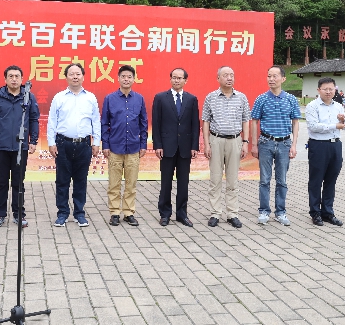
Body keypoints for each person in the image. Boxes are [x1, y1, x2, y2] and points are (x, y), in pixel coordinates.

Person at [48, 63, 101, 228]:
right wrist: (51, 143)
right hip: (63, 144)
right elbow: (52, 121)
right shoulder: (59, 97)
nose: (75, 77)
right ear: (66, 77)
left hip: (84, 144)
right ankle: (62, 213)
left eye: (78, 74)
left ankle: (79, 213)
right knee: (62, 181)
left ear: (83, 77)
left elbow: (96, 121)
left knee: (80, 180)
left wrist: (96, 142)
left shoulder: (90, 98)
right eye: (71, 74)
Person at [0, 65, 40, 228]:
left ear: (22, 79)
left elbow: (34, 119)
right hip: (2, 146)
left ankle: (18, 214)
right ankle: (0, 214)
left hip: (20, 147)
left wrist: (33, 141)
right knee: (1, 182)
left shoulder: (28, 96)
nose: (14, 79)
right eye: (10, 76)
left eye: (17, 76)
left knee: (18, 182)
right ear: (5, 79)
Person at [250, 65, 300, 227]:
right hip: (266, 142)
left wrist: (294, 145)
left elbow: (295, 122)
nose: (271, 79)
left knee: (282, 180)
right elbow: (254, 121)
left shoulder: (291, 99)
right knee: (264, 180)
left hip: (285, 143)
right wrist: (254, 145)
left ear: (283, 79)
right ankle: (264, 211)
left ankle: (280, 212)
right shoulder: (261, 99)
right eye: (269, 76)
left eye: (274, 76)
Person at [202, 66, 250, 229]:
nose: (229, 78)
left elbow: (246, 120)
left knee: (232, 179)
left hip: (235, 140)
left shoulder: (241, 97)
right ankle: (215, 213)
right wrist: (207, 144)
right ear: (218, 78)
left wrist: (245, 142)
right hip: (216, 140)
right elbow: (206, 121)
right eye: (225, 75)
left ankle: (232, 214)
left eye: (232, 75)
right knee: (215, 179)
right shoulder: (211, 97)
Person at [101, 65, 148, 227]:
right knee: (114, 183)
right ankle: (114, 212)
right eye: (123, 76)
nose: (126, 79)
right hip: (115, 147)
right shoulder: (110, 99)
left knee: (131, 183)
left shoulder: (139, 99)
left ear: (134, 79)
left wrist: (143, 144)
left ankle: (128, 212)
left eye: (129, 77)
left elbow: (143, 123)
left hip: (134, 148)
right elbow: (104, 123)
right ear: (118, 78)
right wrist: (105, 144)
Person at [153, 68, 200, 228]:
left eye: (180, 78)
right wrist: (158, 145)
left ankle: (182, 214)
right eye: (174, 77)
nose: (177, 80)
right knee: (166, 182)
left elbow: (195, 124)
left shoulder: (191, 99)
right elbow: (156, 123)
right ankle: (165, 214)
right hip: (167, 147)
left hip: (185, 147)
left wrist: (194, 146)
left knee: (183, 183)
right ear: (170, 79)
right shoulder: (160, 98)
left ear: (185, 80)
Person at [305, 77, 345, 227]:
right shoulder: (312, 106)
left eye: (331, 89)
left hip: (335, 145)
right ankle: (315, 212)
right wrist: (335, 125)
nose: (328, 92)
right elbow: (313, 126)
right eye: (325, 89)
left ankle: (328, 212)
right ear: (319, 90)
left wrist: (343, 121)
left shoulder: (338, 106)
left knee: (331, 180)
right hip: (318, 146)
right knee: (316, 180)